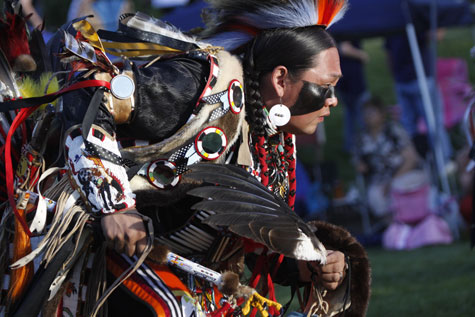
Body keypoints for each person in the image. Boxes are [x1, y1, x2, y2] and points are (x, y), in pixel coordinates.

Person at [0, 1, 370, 316]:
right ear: (280, 79)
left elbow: (244, 233)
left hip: (187, 275)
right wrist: (115, 207)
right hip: (102, 251)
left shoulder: (274, 141)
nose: (332, 100)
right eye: (327, 86)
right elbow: (91, 92)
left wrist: (303, 264)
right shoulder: (202, 86)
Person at [355, 96, 423, 219]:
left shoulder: (394, 131)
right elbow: (360, 165)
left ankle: (409, 224)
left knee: (397, 189)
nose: (368, 116)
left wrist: (391, 182)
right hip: (379, 180)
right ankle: (393, 228)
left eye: (372, 112)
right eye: (365, 113)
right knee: (375, 195)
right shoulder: (362, 138)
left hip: (405, 174)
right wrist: (362, 167)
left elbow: (411, 159)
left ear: (382, 114)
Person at [336, 40, 370, 154]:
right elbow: (345, 48)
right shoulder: (344, 29)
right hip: (352, 83)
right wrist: (362, 55)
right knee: (362, 115)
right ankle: (365, 145)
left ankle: (350, 145)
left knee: (350, 114)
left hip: (345, 83)